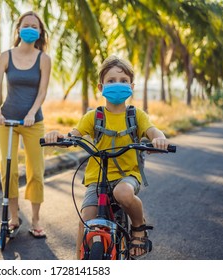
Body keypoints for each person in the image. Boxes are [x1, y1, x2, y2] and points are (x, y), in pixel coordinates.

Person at [43, 55, 170, 258]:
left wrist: (159, 139)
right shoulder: (93, 117)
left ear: (132, 86)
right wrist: (58, 136)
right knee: (86, 221)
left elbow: (153, 131)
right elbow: (72, 135)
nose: (117, 85)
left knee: (123, 194)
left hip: (127, 176)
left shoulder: (136, 115)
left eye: (123, 81)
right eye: (111, 81)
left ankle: (138, 226)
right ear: (101, 87)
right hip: (97, 179)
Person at [0, 11, 51, 238]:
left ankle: (35, 220)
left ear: (40, 32)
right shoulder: (5, 56)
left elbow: (42, 91)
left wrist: (31, 113)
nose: (30, 29)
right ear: (18, 29)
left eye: (34, 26)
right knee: (9, 171)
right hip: (6, 121)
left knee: (36, 171)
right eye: (26, 25)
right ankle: (14, 218)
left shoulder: (43, 59)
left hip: (33, 122)